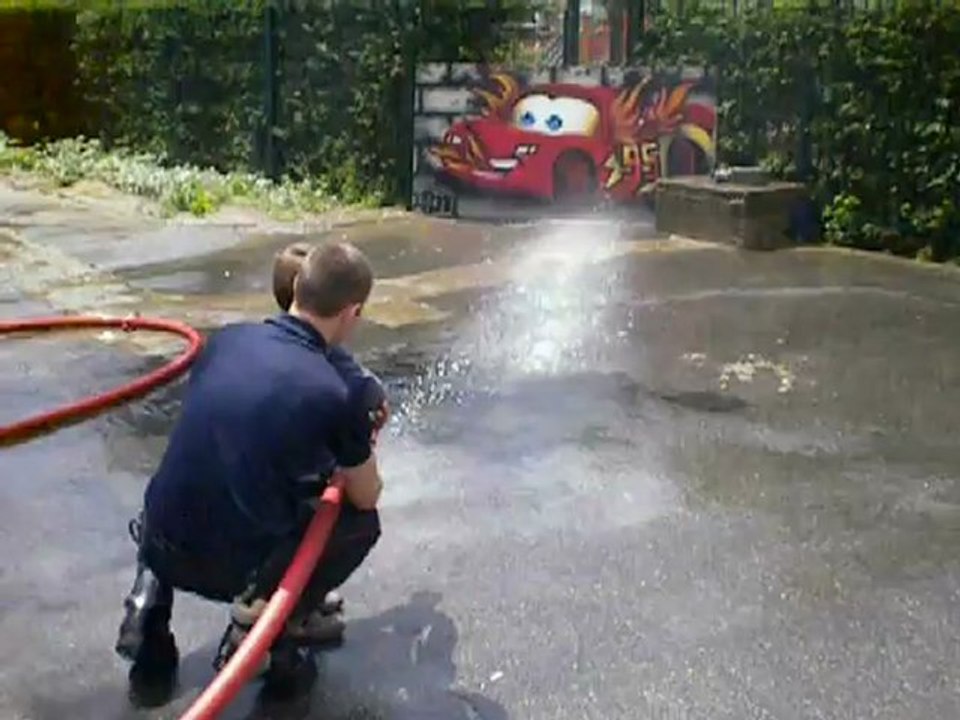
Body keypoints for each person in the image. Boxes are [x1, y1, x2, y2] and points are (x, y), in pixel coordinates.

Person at [115, 241, 387, 703]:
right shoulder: (335, 392)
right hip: (227, 569)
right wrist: (358, 434)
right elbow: (366, 495)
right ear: (352, 313)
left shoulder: (225, 341)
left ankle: (147, 610)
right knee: (359, 525)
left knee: (191, 466)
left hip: (158, 540)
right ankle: (264, 626)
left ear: (296, 289)